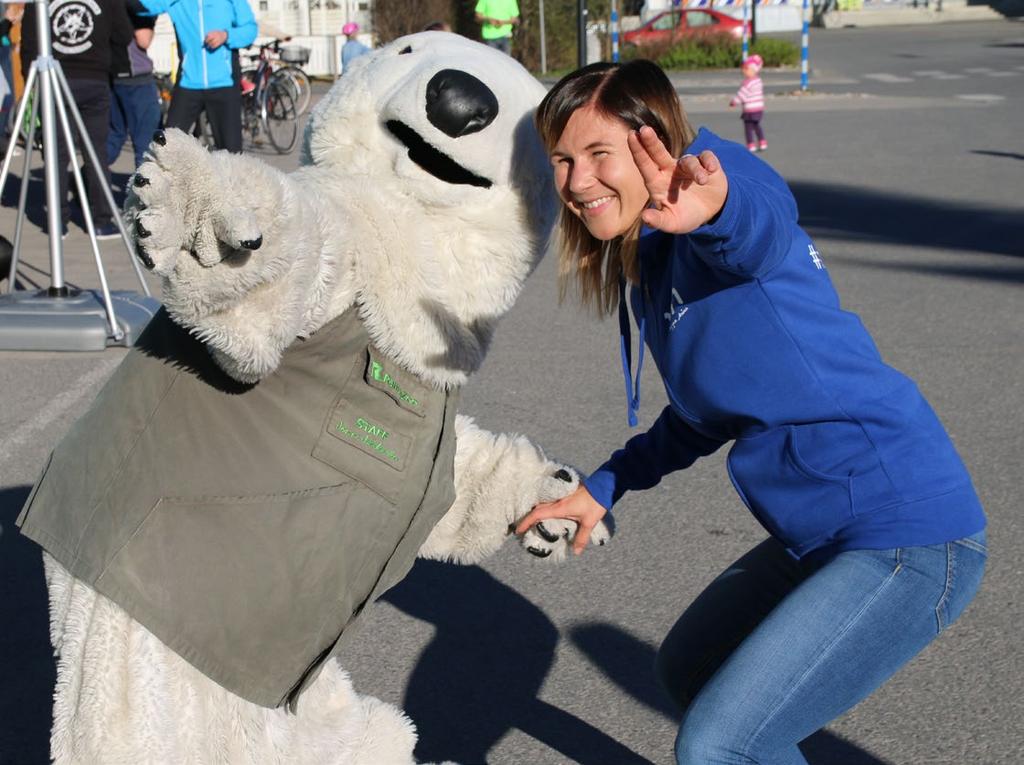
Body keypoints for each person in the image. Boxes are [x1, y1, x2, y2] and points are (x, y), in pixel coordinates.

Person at [516, 60, 987, 765]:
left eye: (598, 154)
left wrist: (720, 209)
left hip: (905, 530)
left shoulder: (717, 185)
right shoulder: (653, 262)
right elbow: (703, 415)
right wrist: (603, 484)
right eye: (563, 159)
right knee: (689, 668)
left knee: (721, 745)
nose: (579, 181)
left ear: (653, 142)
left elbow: (760, 224)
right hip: (822, 533)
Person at [21, 0, 134, 238]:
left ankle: (57, 222)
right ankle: (101, 220)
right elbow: (123, 34)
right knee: (96, 154)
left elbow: (29, 43)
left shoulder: (40, 3)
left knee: (56, 155)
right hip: (94, 78)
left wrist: (31, 81)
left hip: (55, 79)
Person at [139, 0, 257, 153]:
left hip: (224, 83)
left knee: (232, 154)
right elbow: (144, 7)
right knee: (166, 148)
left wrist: (226, 35)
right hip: (188, 83)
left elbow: (250, 29)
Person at [108, 0, 162, 169]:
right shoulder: (134, 5)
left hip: (110, 76)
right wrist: (153, 16)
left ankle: (86, 179)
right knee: (146, 145)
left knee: (114, 137)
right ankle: (141, 193)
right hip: (135, 76)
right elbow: (143, 39)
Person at [730, 53, 766, 152]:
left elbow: (742, 95)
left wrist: (734, 102)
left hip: (749, 109)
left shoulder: (748, 83)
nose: (743, 71)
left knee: (748, 128)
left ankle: (751, 144)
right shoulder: (758, 81)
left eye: (746, 69)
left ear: (754, 70)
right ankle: (762, 142)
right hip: (759, 108)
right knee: (757, 125)